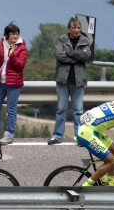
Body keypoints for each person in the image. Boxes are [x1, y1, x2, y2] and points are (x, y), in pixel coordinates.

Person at [48, 17, 91, 145]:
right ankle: (57, 136)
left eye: (79, 28)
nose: (77, 30)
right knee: (61, 109)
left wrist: (70, 53)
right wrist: (77, 57)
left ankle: (80, 137)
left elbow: (86, 56)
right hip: (63, 79)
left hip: (78, 80)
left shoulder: (85, 40)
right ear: (69, 29)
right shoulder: (62, 39)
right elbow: (60, 56)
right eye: (74, 28)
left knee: (78, 110)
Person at [0, 22, 28, 145]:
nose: (15, 36)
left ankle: (9, 134)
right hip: (0, 82)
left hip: (14, 83)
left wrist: (13, 55)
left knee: (11, 110)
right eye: (12, 34)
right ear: (7, 35)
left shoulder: (22, 48)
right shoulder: (0, 44)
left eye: (17, 33)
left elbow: (20, 65)